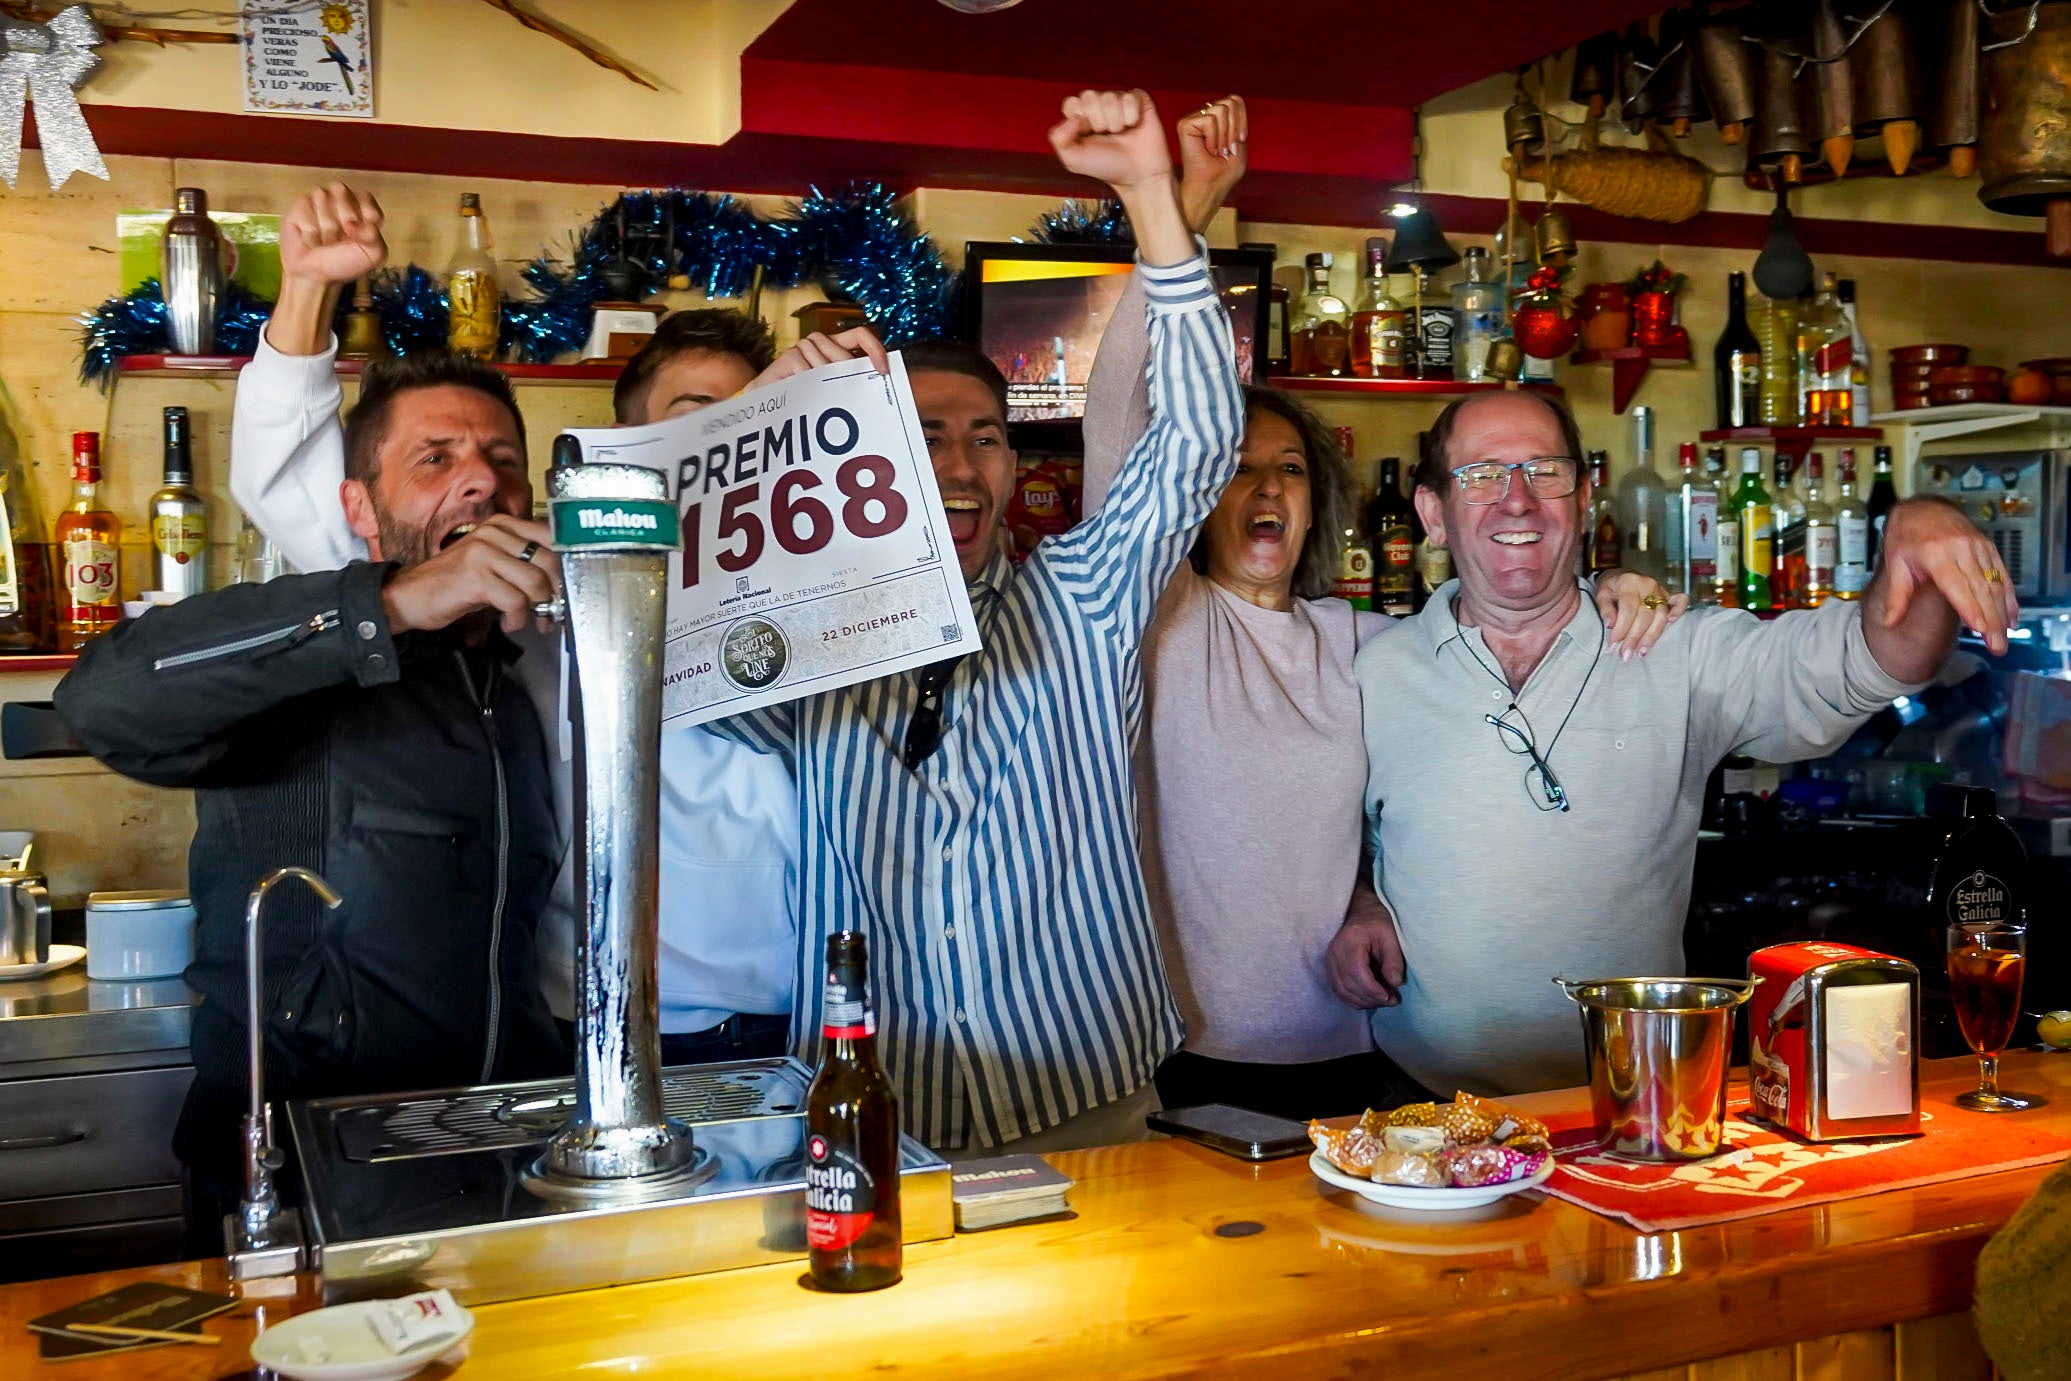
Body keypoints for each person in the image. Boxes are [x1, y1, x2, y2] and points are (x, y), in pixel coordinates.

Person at [1082, 99, 1679, 1121]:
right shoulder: (1160, 617)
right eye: (1231, 472)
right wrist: (1175, 216)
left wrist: (1610, 592)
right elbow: (1115, 416)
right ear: (1190, 496)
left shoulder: (1371, 643)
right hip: (1178, 1055)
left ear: (1319, 494)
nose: (1263, 493)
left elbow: (1409, 793)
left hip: (1362, 1046)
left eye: (1285, 471)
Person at [227, 185, 882, 1065]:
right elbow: (308, 502)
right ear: (618, 448)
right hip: (585, 1024)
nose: (736, 447)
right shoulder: (539, 596)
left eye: (756, 423)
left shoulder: (829, 588)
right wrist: (306, 293)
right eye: (703, 424)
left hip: (800, 1018)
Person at [712, 88, 1242, 1153]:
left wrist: (1150, 194)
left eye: (986, 437)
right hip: (868, 1106)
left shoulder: (1084, 594)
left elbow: (1194, 439)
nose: (957, 466)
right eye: (923, 436)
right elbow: (654, 626)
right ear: (864, 465)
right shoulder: (800, 632)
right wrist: (759, 417)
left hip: (1085, 1096)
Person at [1332, 389, 2018, 1098]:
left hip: (1635, 1103)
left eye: (1545, 471)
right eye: (1481, 475)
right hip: (1416, 1100)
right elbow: (1327, 841)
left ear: (1585, 496)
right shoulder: (1373, 667)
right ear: (1432, 514)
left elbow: (1873, 659)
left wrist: (1923, 530)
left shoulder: (1674, 646)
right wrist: (1358, 901)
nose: (1517, 500)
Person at [56, 351, 570, 1254]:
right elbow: (102, 700)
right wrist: (395, 604)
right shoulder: (305, 663)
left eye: (501, 460)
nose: (481, 480)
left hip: (495, 1147)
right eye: (435, 458)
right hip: (297, 1164)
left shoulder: (516, 681)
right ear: (360, 510)